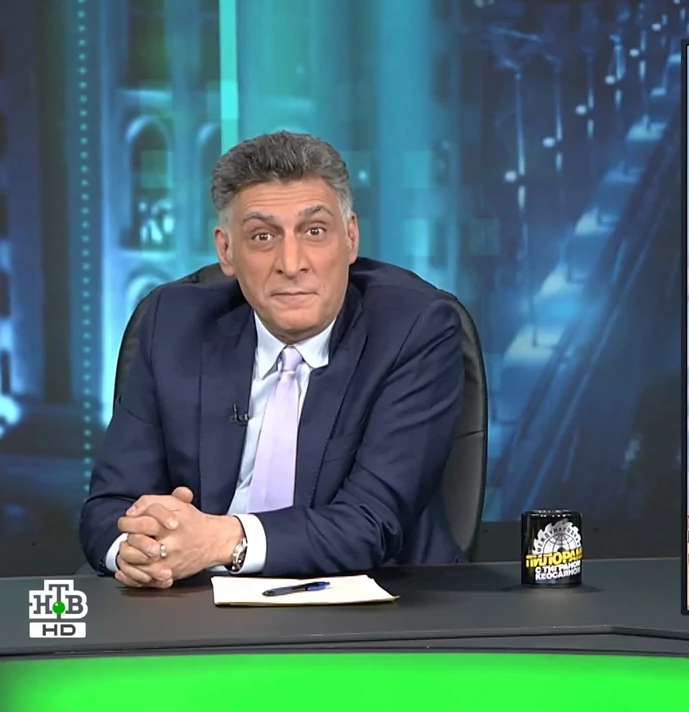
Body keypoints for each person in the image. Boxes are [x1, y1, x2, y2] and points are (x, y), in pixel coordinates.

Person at [78, 132, 466, 588]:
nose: (291, 263)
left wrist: (221, 540)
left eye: (314, 231)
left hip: (379, 605)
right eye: (263, 236)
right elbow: (109, 508)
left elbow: (371, 521)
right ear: (226, 250)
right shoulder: (173, 323)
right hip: (196, 605)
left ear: (350, 237)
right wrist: (139, 552)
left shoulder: (413, 328)